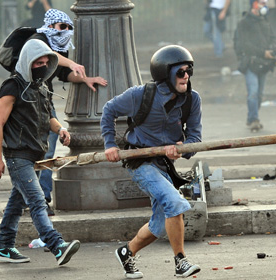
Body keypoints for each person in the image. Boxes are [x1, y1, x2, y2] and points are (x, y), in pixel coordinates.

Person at [100, 45, 202, 279]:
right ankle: (181, 262)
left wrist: (182, 149)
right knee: (174, 203)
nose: (186, 76)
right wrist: (110, 145)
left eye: (189, 71)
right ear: (165, 75)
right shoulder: (140, 95)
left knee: (158, 225)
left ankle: (127, 252)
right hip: (140, 163)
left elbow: (195, 137)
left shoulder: (192, 100)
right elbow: (109, 110)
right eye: (180, 72)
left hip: (163, 166)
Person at [0, 39, 80, 265]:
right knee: (38, 201)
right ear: (27, 62)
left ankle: (4, 247)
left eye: (45, 62)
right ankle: (57, 245)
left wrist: (61, 129)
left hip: (37, 156)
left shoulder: (42, 87)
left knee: (17, 203)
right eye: (36, 62)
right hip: (17, 155)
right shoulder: (12, 86)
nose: (41, 65)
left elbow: (48, 117)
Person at [30, 9, 108, 215]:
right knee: (28, 151)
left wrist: (85, 78)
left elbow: (64, 74)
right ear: (50, 26)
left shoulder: (59, 46)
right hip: (26, 100)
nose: (65, 31)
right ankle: (29, 197)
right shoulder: (37, 38)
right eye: (62, 27)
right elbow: (42, 53)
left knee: (48, 147)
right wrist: (71, 62)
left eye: (68, 28)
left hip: (44, 100)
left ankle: (43, 197)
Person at [234, 0, 276, 131]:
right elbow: (244, 44)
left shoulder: (265, 21)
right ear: (254, 4)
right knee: (253, 93)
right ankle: (254, 120)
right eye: (262, 3)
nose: (264, 5)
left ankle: (251, 116)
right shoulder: (244, 23)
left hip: (263, 64)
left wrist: (274, 50)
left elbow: (272, 38)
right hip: (250, 62)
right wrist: (263, 53)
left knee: (259, 95)